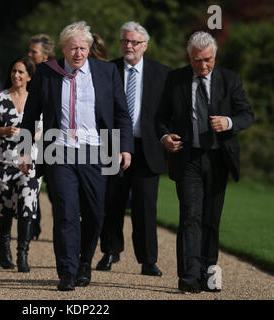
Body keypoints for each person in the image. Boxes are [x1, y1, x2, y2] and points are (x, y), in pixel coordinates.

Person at [19, 21, 133, 291]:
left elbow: (120, 113)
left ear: (90, 48)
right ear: (63, 48)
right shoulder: (47, 72)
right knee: (66, 213)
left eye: (83, 48)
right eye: (73, 48)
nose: (78, 53)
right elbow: (30, 115)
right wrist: (24, 151)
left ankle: (84, 263)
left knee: (95, 214)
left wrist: (124, 147)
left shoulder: (106, 72)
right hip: (58, 151)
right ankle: (67, 272)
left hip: (96, 151)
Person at [156, 31, 253, 293]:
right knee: (190, 216)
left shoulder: (229, 79)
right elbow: (160, 118)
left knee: (211, 219)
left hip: (218, 158)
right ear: (189, 57)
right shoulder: (175, 79)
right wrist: (165, 137)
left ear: (215, 56)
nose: (203, 66)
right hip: (188, 159)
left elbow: (246, 114)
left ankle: (209, 274)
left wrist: (228, 122)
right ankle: (189, 277)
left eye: (207, 60)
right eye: (197, 60)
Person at [96, 22, 171, 277]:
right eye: (125, 41)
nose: (129, 46)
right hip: (114, 145)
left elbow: (168, 114)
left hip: (148, 148)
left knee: (145, 207)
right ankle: (109, 251)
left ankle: (148, 260)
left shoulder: (162, 74)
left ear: (145, 45)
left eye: (134, 42)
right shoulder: (107, 70)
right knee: (111, 202)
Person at [0, 57, 41, 273]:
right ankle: (4, 250)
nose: (16, 75)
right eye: (14, 71)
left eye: (21, 72)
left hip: (29, 162)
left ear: (29, 76)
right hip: (2, 162)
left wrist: (32, 135)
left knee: (27, 206)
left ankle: (22, 254)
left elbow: (44, 128)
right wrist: (3, 131)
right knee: (4, 209)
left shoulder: (38, 99)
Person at [27, 33, 55, 240]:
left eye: (33, 52)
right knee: (30, 183)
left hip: (50, 138)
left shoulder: (53, 75)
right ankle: (32, 226)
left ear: (45, 55)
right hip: (30, 135)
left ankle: (62, 227)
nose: (29, 54)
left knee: (55, 188)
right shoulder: (26, 73)